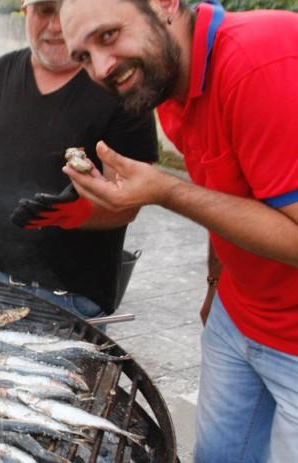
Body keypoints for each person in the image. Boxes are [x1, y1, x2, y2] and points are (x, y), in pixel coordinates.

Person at [58, 0, 298, 460]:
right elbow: (226, 190)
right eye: (84, 56)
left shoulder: (260, 62)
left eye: (108, 35)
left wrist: (166, 191)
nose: (103, 67)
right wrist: (215, 283)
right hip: (239, 315)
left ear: (166, 4)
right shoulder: (167, 80)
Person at [0, 0, 158, 320]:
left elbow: (128, 202)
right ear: (26, 10)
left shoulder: (119, 84)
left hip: (70, 300)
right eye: (44, 9)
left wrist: (71, 213)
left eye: (65, 10)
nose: (55, 25)